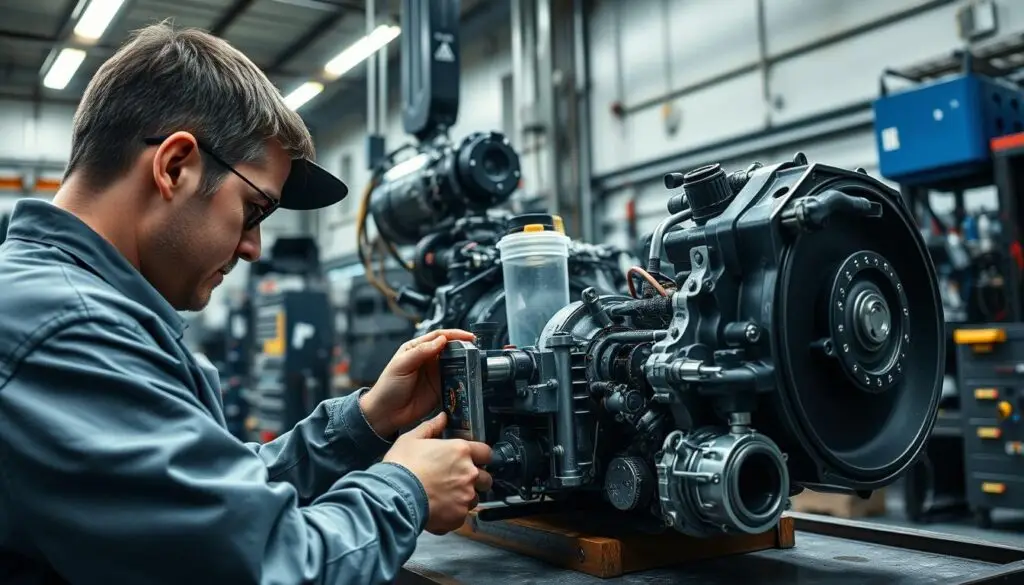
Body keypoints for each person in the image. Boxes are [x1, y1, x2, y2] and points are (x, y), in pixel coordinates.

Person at [0, 22, 492, 585]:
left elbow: (199, 504)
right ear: (174, 166)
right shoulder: (67, 330)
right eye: (254, 210)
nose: (254, 248)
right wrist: (405, 488)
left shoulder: (67, 307)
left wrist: (364, 423)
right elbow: (258, 565)